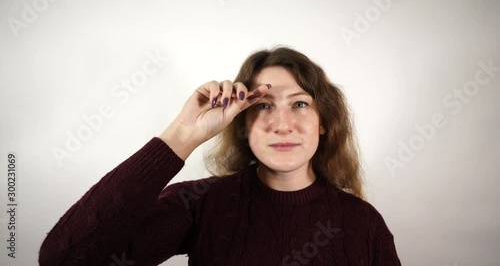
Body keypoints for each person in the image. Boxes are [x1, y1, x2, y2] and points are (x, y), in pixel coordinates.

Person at [39, 47, 401, 266]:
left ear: (324, 122)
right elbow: (64, 259)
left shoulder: (364, 224)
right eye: (263, 105)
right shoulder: (201, 204)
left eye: (300, 104)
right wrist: (180, 135)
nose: (282, 124)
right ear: (242, 123)